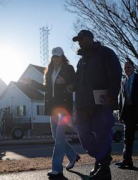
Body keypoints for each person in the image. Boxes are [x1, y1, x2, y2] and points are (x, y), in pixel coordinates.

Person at [69, 30, 122, 180]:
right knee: (83, 135)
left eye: (82, 39)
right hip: (83, 105)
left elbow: (115, 74)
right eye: (78, 40)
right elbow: (77, 80)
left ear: (91, 38)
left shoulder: (105, 53)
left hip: (101, 104)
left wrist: (111, 95)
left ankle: (104, 170)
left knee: (102, 136)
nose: (80, 42)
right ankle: (100, 160)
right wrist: (72, 85)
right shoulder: (81, 60)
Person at [21, 47, 80, 179]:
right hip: (52, 107)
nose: (56, 58)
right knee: (56, 136)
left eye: (58, 56)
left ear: (62, 56)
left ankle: (56, 168)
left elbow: (76, 83)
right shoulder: (49, 71)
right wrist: (31, 83)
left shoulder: (68, 69)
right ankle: (73, 155)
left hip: (64, 107)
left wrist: (66, 82)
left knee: (59, 137)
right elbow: (46, 88)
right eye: (54, 56)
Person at [115, 60, 138, 168]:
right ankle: (127, 160)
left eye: (129, 67)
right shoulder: (123, 81)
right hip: (128, 112)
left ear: (133, 67)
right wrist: (120, 114)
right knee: (127, 137)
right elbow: (121, 99)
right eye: (125, 68)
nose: (127, 69)